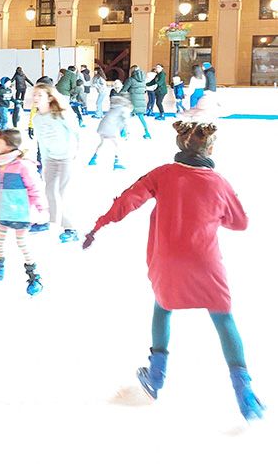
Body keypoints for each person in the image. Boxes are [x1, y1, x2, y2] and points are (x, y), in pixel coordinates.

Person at [84, 121, 264, 421]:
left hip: (166, 260)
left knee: (163, 306)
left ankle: (155, 377)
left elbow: (128, 199)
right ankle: (243, 391)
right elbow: (240, 222)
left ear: (181, 145)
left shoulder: (162, 174)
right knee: (223, 317)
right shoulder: (218, 182)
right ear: (209, 148)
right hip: (205, 261)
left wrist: (99, 224)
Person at [0, 128, 47, 295]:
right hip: (3, 210)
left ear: (9, 146)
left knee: (22, 243)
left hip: (20, 212)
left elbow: (35, 187)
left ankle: (34, 277)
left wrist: (41, 208)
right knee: (0, 241)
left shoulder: (22, 165)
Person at [30, 82, 80, 242]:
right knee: (50, 193)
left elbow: (75, 132)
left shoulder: (60, 114)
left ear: (49, 97)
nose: (35, 97)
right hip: (50, 159)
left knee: (57, 195)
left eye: (40, 95)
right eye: (34, 94)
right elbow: (42, 144)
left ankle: (64, 226)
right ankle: (57, 223)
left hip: (66, 158)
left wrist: (73, 152)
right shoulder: (37, 118)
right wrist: (44, 162)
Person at [87, 94, 131, 169]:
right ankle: (117, 162)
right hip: (110, 128)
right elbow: (124, 120)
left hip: (102, 127)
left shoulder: (114, 107)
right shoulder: (123, 108)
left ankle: (93, 158)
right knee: (118, 144)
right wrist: (126, 131)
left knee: (102, 143)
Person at [121, 66, 152, 139]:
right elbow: (144, 90)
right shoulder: (143, 80)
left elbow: (123, 90)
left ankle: (123, 132)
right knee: (141, 118)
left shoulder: (130, 80)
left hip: (131, 101)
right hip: (141, 101)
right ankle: (147, 132)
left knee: (125, 116)